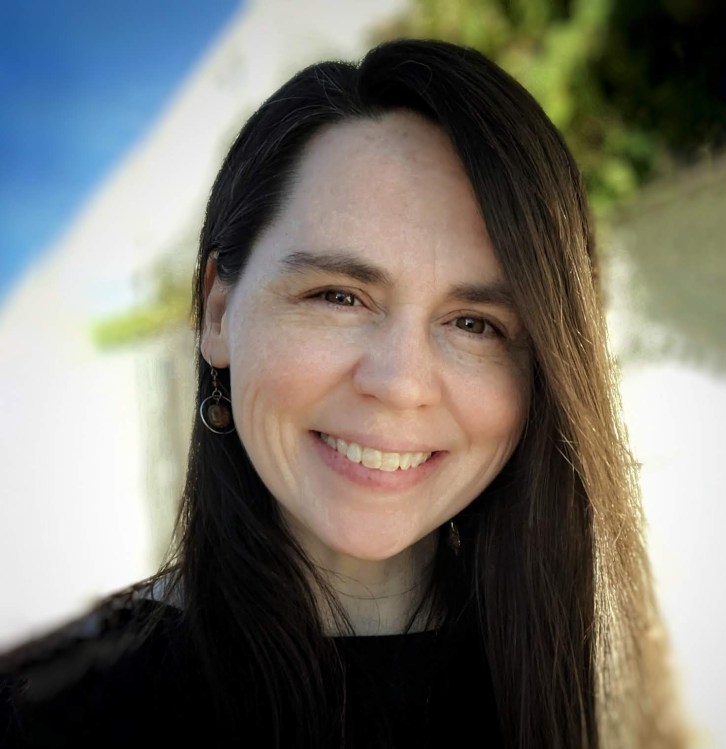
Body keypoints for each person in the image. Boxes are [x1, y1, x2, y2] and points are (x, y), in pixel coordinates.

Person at [0, 37, 687, 749]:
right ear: (218, 312)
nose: (400, 384)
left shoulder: (599, 702)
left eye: (474, 323)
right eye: (338, 296)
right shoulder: (44, 715)